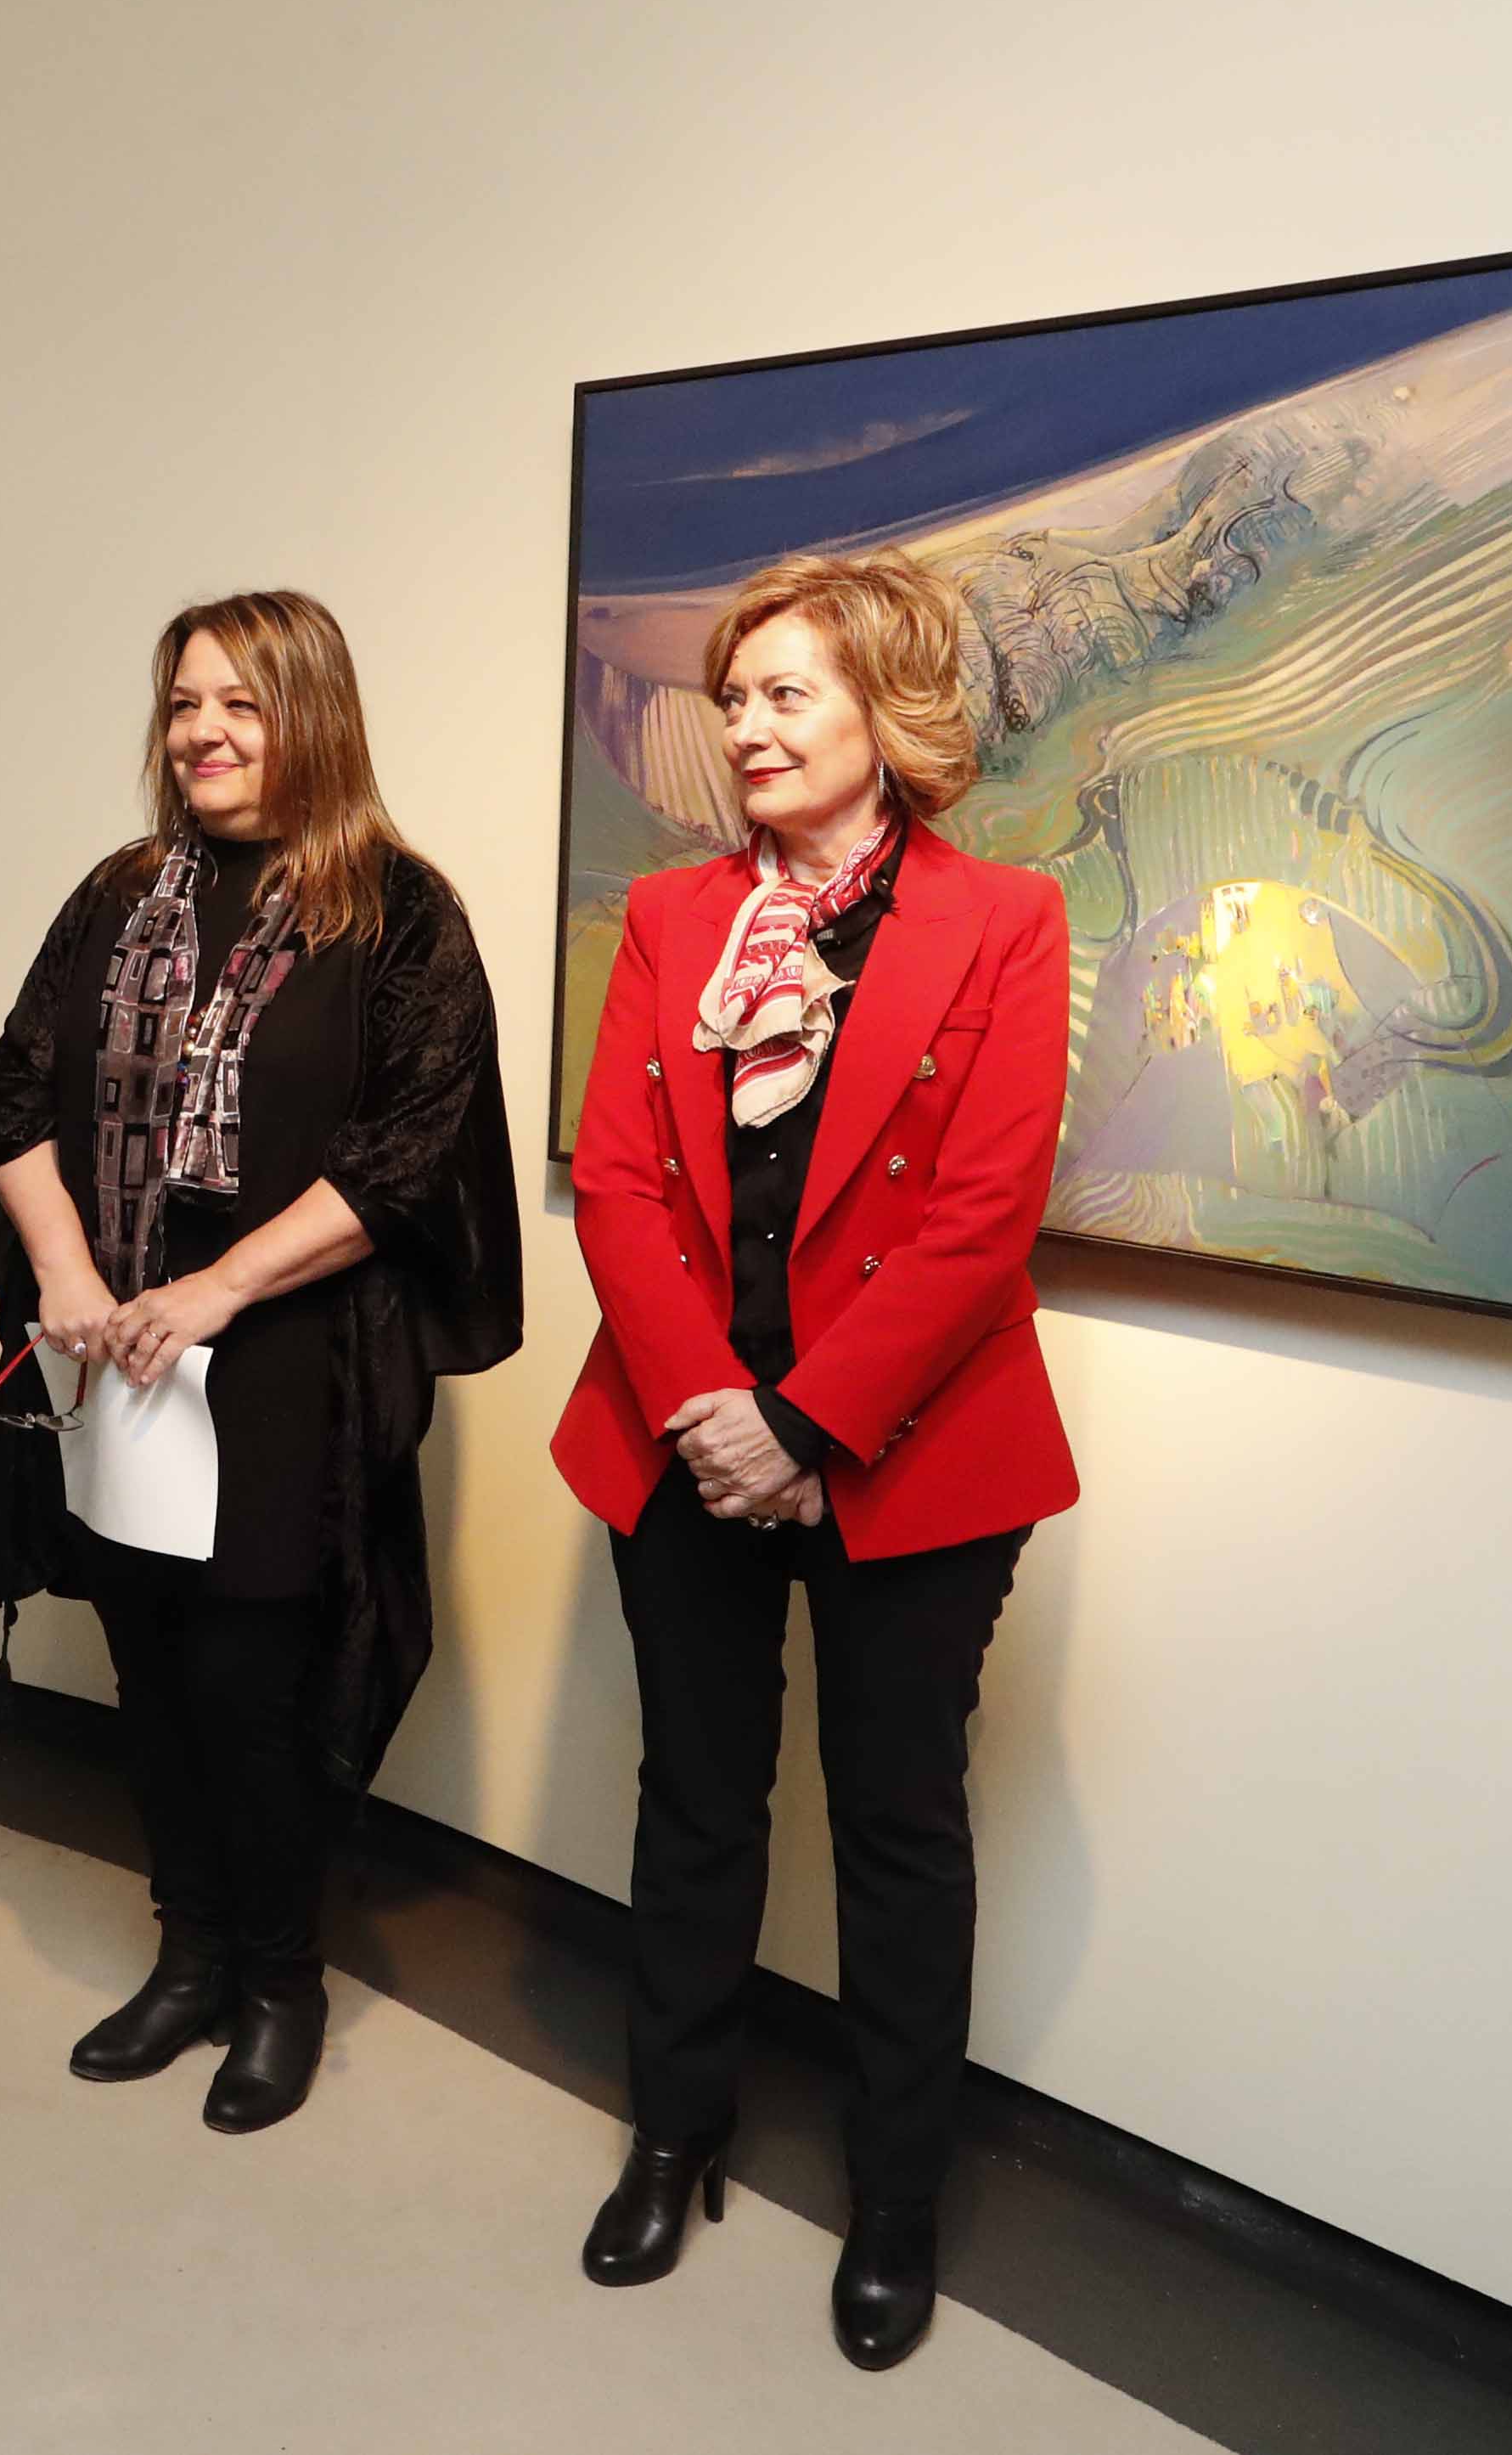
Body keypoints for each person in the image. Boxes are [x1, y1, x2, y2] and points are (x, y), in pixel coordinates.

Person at [548, 549, 1079, 2368]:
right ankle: (673, 2132)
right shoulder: (672, 918)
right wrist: (716, 1410)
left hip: (909, 1453)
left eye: (787, 693)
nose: (747, 726)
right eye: (736, 695)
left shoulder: (1004, 918)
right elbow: (619, 1183)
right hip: (685, 1439)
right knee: (694, 1802)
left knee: (897, 1829)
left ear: (888, 711)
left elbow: (983, 1218)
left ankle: (895, 2204)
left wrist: (805, 1424)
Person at [0, 590, 522, 2134]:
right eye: (181, 704)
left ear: (311, 716)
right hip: (116, 1357)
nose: (201, 734)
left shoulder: (398, 911)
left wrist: (216, 1286)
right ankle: (188, 1952)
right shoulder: (116, 893)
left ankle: (281, 1982)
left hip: (285, 1366)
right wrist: (69, 1275)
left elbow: (406, 1154)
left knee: (253, 1690)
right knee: (147, 1669)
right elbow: (13, 1091)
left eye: (240, 703)